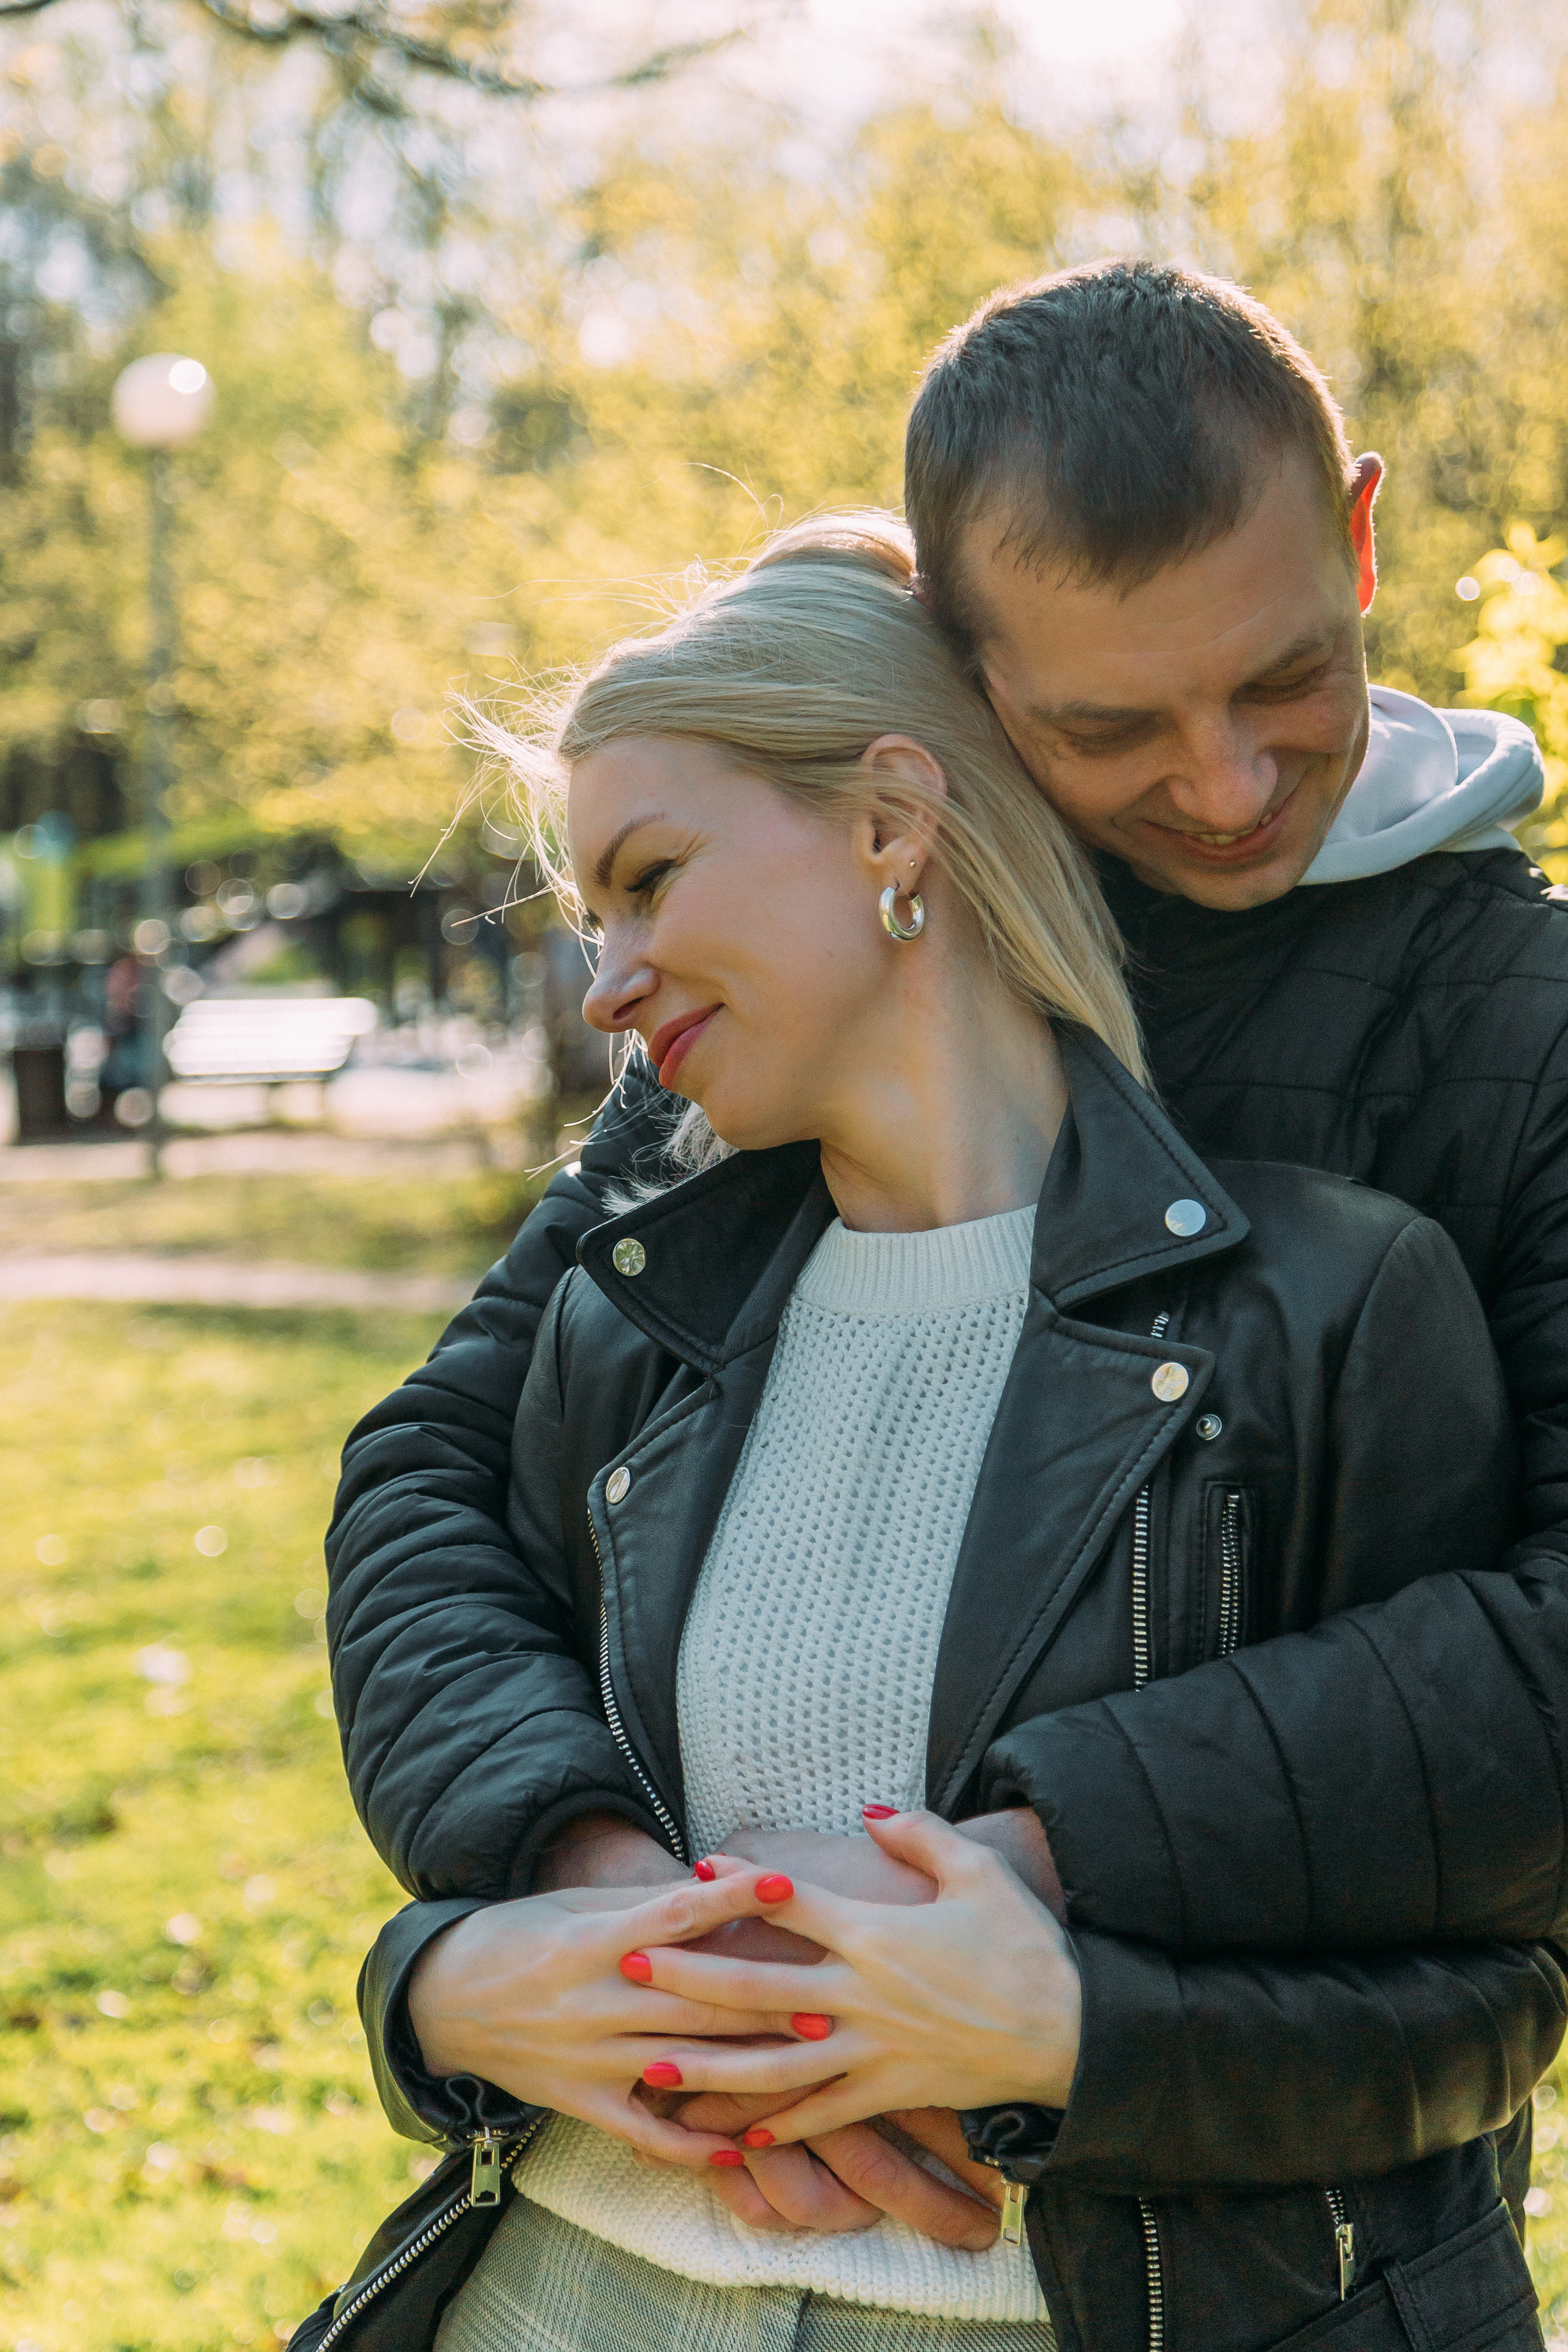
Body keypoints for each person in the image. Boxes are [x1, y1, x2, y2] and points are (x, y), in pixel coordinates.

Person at [305, 262, 1568, 2339]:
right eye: (1108, 725)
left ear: (1359, 545)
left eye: (1286, 679)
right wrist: (590, 1907)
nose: (1233, 784)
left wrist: (1020, 1885)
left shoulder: (1514, 1028)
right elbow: (441, 1463)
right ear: (964, 693)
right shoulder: (785, 1032)